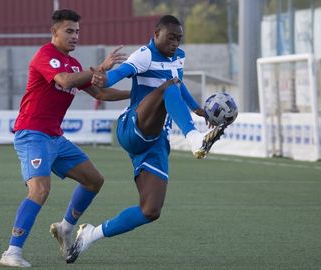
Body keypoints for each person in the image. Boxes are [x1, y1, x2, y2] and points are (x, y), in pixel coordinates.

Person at [65, 15, 225, 263]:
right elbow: (117, 76)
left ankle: (90, 235)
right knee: (168, 86)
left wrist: (196, 108)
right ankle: (195, 139)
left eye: (179, 39)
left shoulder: (179, 56)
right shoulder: (144, 55)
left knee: (150, 210)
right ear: (156, 34)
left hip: (155, 142)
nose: (175, 43)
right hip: (132, 127)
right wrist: (102, 77)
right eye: (170, 37)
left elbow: (179, 84)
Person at [0, 9, 130, 268]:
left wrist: (136, 95)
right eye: (69, 31)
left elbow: (100, 94)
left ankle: (65, 227)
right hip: (32, 134)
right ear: (54, 32)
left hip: (55, 138)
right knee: (40, 190)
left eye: (77, 31)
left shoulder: (75, 64)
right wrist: (101, 67)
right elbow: (65, 81)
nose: (75, 36)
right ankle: (11, 252)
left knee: (94, 180)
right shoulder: (44, 56)